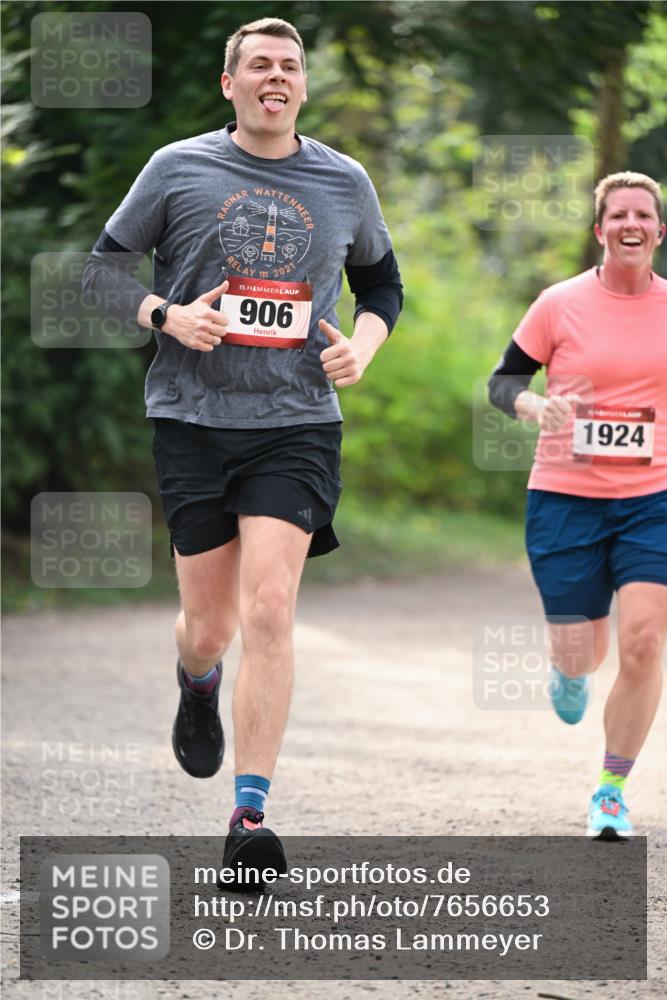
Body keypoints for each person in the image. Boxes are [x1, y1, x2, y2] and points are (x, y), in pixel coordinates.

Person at [83, 17, 402, 875]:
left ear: (302, 85)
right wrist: (165, 315)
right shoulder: (178, 168)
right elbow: (99, 269)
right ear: (230, 84)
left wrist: (361, 348)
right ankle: (195, 682)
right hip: (191, 420)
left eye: (289, 66)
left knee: (268, 608)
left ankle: (250, 818)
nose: (275, 76)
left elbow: (382, 283)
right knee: (209, 626)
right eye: (258, 64)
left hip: (296, 424)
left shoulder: (343, 180)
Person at [488, 171, 667, 839]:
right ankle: (568, 673)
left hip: (653, 498)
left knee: (645, 640)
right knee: (579, 653)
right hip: (564, 498)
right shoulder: (557, 304)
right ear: (599, 230)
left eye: (642, 215)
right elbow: (502, 380)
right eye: (617, 214)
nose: (630, 223)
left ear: (657, 231)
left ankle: (611, 789)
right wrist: (532, 403)